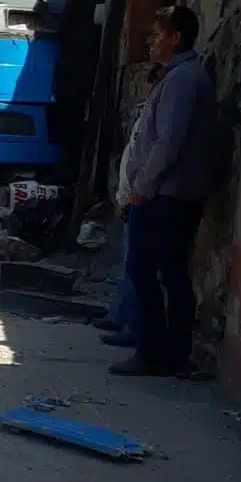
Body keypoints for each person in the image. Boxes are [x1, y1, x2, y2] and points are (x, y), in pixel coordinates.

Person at [109, 6, 214, 377]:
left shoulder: (184, 79)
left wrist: (143, 186)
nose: (150, 41)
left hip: (166, 195)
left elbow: (168, 142)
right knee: (167, 272)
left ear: (176, 38)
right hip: (168, 192)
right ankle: (169, 352)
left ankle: (155, 351)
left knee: (147, 269)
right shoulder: (177, 77)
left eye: (157, 34)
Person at [94, 64, 162, 347]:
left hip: (141, 196)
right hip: (131, 195)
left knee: (138, 267)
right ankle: (121, 315)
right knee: (128, 263)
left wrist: (135, 192)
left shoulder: (156, 116)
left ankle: (134, 326)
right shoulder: (146, 114)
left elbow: (147, 158)